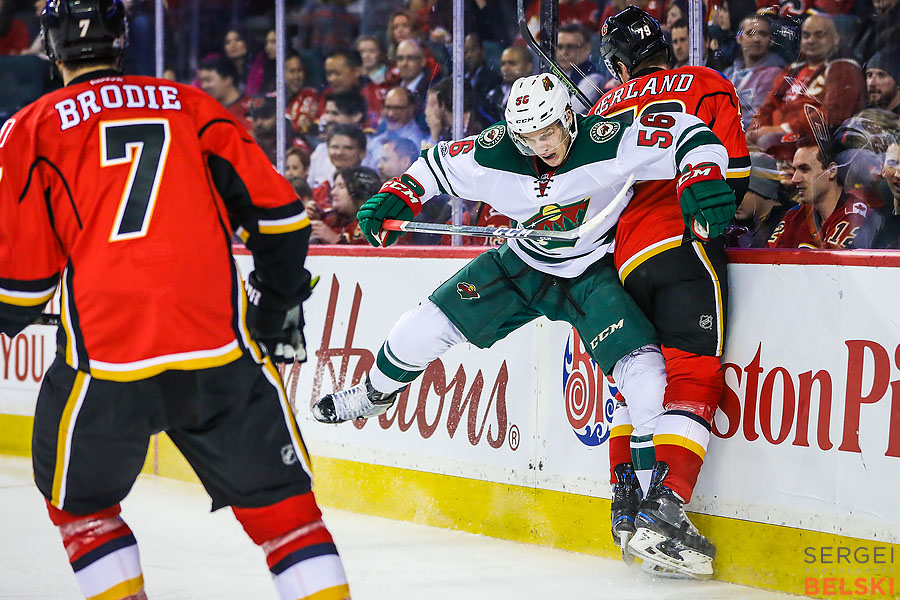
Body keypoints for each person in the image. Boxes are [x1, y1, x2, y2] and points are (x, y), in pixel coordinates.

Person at [311, 72, 735, 579]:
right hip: (521, 262)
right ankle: (375, 394)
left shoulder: (609, 137)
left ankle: (645, 510)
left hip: (591, 274)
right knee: (422, 326)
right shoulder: (493, 154)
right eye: (529, 137)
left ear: (568, 119)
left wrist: (703, 177)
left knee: (647, 379)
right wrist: (398, 194)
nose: (542, 146)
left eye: (549, 131)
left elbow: (691, 133)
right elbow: (436, 165)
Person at [0, 2, 350, 599]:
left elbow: (21, 289)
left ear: (50, 46)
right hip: (218, 350)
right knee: (288, 518)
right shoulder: (190, 104)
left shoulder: (30, 128)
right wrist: (271, 310)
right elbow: (285, 222)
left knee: (81, 511)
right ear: (124, 38)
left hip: (106, 360)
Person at [594, 6, 748, 576]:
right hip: (681, 244)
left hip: (624, 259)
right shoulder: (707, 84)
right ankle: (666, 509)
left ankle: (627, 501)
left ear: (617, 62)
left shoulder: (602, 110)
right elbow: (729, 171)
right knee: (693, 373)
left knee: (635, 376)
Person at [748, 14, 865, 148]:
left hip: (811, 148)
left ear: (836, 39)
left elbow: (833, 115)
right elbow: (767, 106)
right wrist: (755, 129)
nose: (811, 40)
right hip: (774, 145)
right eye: (806, 35)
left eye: (819, 35)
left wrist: (783, 130)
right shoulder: (792, 70)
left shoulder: (844, 69)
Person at [768, 143, 880, 248]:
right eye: (795, 170)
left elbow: (832, 266)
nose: (795, 179)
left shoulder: (856, 214)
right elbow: (768, 260)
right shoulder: (794, 216)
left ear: (832, 171)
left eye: (805, 169)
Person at [723, 15, 787, 130]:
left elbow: (759, 118)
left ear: (771, 40)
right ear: (739, 38)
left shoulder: (775, 73)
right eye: (750, 33)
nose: (756, 39)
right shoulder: (728, 72)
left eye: (763, 34)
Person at [730, 152, 794, 248]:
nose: (734, 199)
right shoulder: (729, 223)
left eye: (742, 191)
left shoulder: (792, 220)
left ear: (763, 191)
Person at [309, 166, 381, 245]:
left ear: (361, 192)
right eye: (334, 186)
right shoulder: (333, 220)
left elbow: (371, 255)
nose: (333, 192)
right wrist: (311, 217)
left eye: (341, 187)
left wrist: (335, 240)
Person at [196, 55, 252, 132]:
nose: (204, 86)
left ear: (228, 80)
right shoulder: (203, 112)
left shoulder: (251, 106)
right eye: (202, 81)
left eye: (208, 80)